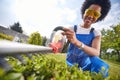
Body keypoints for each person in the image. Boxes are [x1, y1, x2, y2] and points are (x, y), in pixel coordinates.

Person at [62, 0, 111, 78]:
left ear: (99, 17)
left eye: (96, 14)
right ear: (84, 12)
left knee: (99, 65)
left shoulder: (96, 33)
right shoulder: (72, 29)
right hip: (71, 61)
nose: (91, 16)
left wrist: (78, 43)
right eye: (89, 12)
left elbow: (96, 52)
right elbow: (61, 42)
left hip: (86, 62)